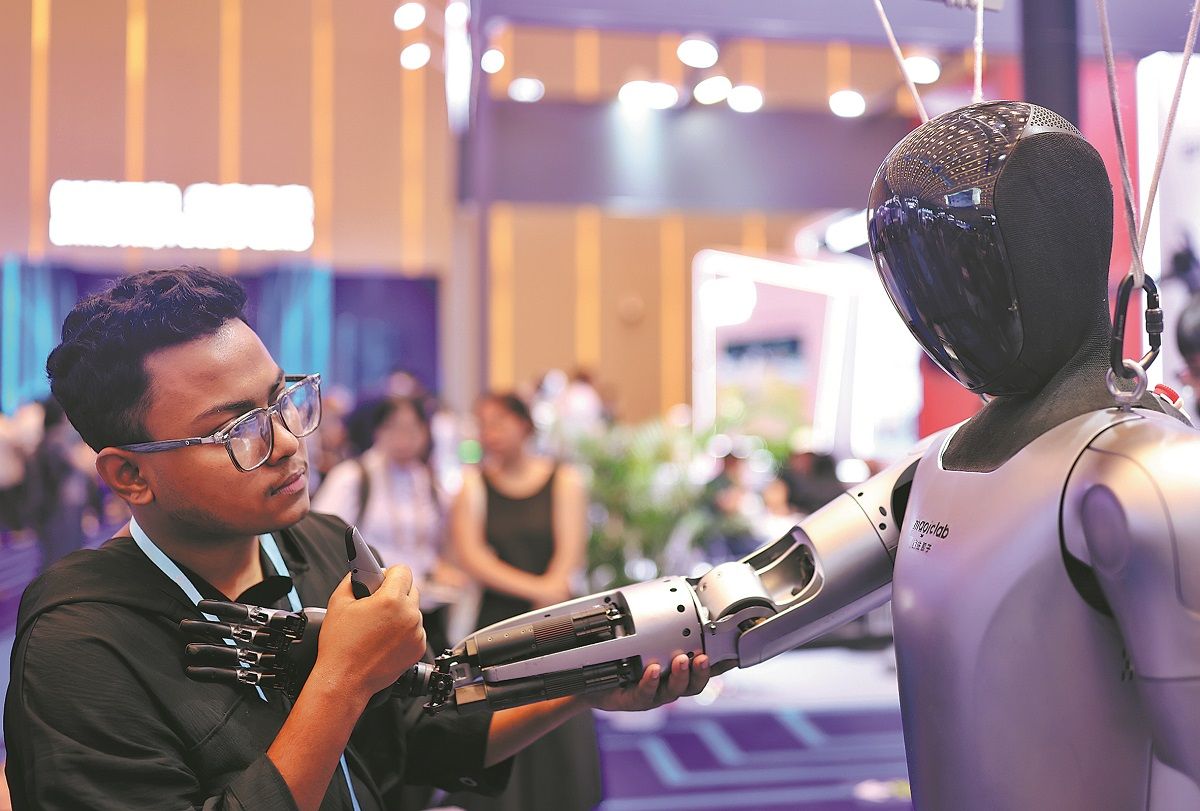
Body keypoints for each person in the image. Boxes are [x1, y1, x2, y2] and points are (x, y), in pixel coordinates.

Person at [3, 267, 710, 811]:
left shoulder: (323, 544)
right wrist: (340, 680)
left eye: (282, 400)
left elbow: (422, 731)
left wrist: (592, 681)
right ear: (129, 474)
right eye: (235, 430)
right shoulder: (77, 641)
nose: (286, 442)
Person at [448, 392, 600, 811]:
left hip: (555, 620)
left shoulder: (564, 479)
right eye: (482, 424)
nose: (489, 433)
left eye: (498, 422)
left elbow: (570, 552)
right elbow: (472, 557)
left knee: (558, 725)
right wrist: (535, 589)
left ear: (525, 425)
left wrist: (550, 589)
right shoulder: (474, 484)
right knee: (502, 725)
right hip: (498, 623)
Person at [312, 395, 461, 653]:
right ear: (378, 430)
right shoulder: (354, 476)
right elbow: (321, 537)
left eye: (413, 429)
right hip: (371, 605)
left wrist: (441, 568)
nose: (404, 439)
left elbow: (437, 543)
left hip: (426, 607)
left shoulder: (427, 481)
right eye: (394, 427)